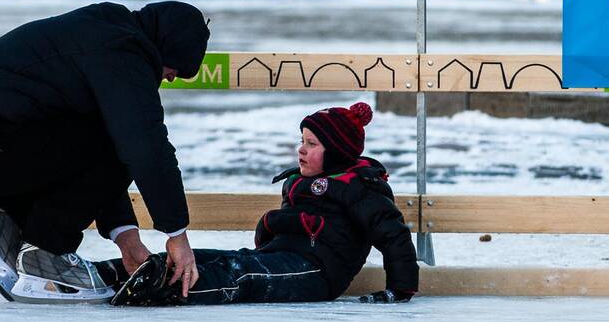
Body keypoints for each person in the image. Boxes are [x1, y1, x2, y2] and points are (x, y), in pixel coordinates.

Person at [0, 1, 210, 303]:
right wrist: (177, 236)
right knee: (128, 138)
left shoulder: (105, 31)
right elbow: (147, 148)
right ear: (167, 46)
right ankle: (45, 252)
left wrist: (127, 242)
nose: (170, 77)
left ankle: (6, 218)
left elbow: (92, 156)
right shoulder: (123, 50)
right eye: (175, 68)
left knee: (106, 134)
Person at [102, 101, 419, 306]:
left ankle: (165, 289)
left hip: (317, 274)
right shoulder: (300, 180)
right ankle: (120, 272)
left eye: (312, 144)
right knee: (208, 258)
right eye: (302, 141)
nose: (301, 150)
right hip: (280, 257)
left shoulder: (360, 187)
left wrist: (400, 289)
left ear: (336, 152)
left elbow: (393, 235)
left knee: (241, 274)